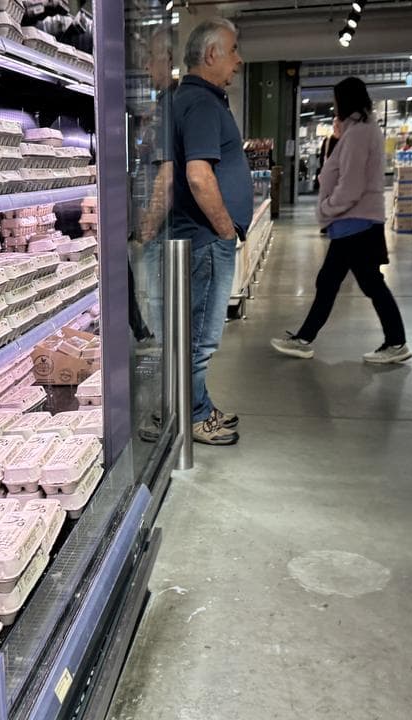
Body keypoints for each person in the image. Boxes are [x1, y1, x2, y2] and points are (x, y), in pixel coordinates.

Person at [140, 17, 250, 447]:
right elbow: (198, 176)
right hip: (206, 240)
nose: (239, 60)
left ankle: (185, 405)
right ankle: (194, 414)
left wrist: (148, 226)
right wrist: (225, 231)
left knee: (184, 335)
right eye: (234, 50)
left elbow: (167, 175)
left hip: (189, 238)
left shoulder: (177, 100)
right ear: (211, 55)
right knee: (200, 338)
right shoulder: (203, 103)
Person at [270, 77, 410, 364]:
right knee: (352, 282)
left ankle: (307, 339)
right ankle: (392, 341)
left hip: (354, 222)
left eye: (336, 101)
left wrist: (329, 207)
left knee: (344, 282)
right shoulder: (362, 130)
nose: (334, 106)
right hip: (357, 222)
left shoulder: (359, 133)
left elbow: (351, 184)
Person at [132, 30, 178, 344]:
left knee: (162, 306)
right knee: (162, 304)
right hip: (161, 229)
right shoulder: (165, 104)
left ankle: (173, 382)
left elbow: (168, 171)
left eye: (152, 60)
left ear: (169, 60)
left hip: (161, 230)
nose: (148, 68)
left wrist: (149, 222)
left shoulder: (168, 106)